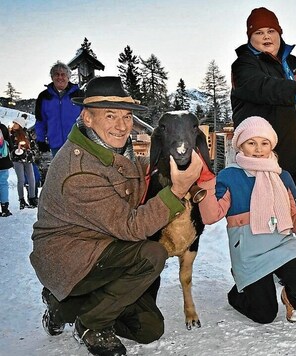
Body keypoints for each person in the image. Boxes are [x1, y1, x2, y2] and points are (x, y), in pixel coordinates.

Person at [30, 76, 202, 356]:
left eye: (126, 116)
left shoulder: (111, 148)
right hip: (70, 256)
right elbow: (131, 226)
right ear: (87, 118)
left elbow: (132, 171)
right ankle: (90, 323)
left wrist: (173, 165)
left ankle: (64, 305)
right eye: (110, 116)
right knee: (152, 254)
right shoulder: (78, 169)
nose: (122, 126)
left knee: (148, 329)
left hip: (105, 250)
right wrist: (179, 188)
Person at [230, 7, 296, 262]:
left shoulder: (295, 63)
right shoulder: (245, 64)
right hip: (262, 155)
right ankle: (258, 270)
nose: (266, 36)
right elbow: (266, 88)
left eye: (271, 31)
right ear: (250, 37)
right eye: (259, 32)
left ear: (280, 33)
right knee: (266, 213)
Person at [198, 116, 296, 324]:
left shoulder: (283, 176)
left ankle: (290, 299)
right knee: (264, 315)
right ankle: (238, 292)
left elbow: (294, 223)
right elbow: (211, 216)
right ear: (241, 145)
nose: (258, 149)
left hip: (282, 243)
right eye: (251, 143)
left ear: (271, 145)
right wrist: (206, 185)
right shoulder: (229, 176)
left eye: (264, 143)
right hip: (249, 251)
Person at [35, 61, 83, 158]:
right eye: (56, 74)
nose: (60, 77)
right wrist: (40, 140)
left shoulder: (79, 94)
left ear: (68, 77)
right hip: (56, 144)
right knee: (59, 172)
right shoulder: (44, 96)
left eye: (63, 75)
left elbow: (88, 118)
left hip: (78, 143)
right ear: (52, 77)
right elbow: (40, 120)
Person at [8, 114, 37, 209]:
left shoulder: (27, 134)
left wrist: (31, 152)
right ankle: (21, 199)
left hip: (28, 159)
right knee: (21, 180)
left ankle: (32, 198)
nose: (14, 125)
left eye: (16, 123)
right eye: (14, 123)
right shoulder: (11, 135)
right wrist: (16, 150)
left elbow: (33, 145)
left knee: (31, 179)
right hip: (17, 159)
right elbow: (10, 147)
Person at [0, 121, 13, 217]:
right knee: (3, 184)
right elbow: (10, 145)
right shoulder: (3, 128)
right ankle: (5, 208)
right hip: (3, 162)